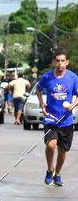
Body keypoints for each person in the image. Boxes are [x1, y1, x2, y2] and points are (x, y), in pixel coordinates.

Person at [35, 52, 78, 187]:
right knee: (51, 144)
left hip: (66, 119)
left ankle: (57, 174)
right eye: (57, 61)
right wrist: (42, 104)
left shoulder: (73, 77)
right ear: (55, 62)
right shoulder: (47, 77)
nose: (60, 63)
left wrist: (72, 105)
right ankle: (49, 170)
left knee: (62, 150)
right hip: (51, 118)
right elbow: (38, 89)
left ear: (67, 62)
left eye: (62, 61)